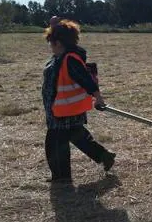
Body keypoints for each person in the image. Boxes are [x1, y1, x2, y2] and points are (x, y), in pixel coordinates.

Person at [42, 19, 115, 183]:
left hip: (64, 110)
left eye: (51, 43)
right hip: (65, 108)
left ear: (59, 43)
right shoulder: (64, 56)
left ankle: (61, 178)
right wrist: (55, 26)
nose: (50, 47)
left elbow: (86, 80)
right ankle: (104, 156)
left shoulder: (70, 59)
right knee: (77, 136)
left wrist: (98, 97)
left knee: (54, 143)